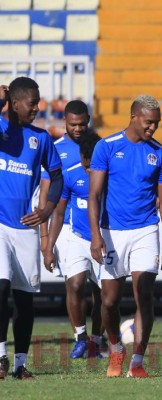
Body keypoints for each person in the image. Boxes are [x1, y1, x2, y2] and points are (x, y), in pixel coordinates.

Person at [88, 95, 162, 378]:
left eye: (157, 123)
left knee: (144, 295)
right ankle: (115, 350)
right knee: (109, 301)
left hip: (146, 231)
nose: (153, 128)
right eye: (149, 122)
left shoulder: (160, 153)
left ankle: (137, 362)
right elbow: (94, 194)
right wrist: (96, 236)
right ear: (134, 116)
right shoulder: (107, 147)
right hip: (111, 232)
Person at [0, 77, 63, 379]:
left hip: (25, 227)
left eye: (38, 102)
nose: (38, 107)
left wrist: (47, 209)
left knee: (24, 299)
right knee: (0, 287)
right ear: (14, 103)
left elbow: (57, 177)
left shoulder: (42, 138)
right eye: (33, 102)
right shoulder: (1, 130)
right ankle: (0, 356)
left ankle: (19, 364)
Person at [39, 100, 105, 359]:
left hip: (97, 226)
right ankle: (80, 337)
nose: (78, 129)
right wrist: (46, 239)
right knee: (74, 284)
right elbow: (47, 196)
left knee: (101, 290)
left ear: (88, 120)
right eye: (72, 124)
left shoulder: (101, 146)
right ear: (64, 122)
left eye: (82, 124)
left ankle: (97, 340)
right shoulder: (55, 150)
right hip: (67, 226)